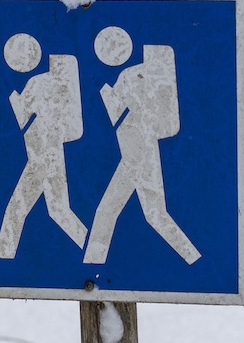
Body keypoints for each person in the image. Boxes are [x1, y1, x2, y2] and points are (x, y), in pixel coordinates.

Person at [84, 43, 200, 265]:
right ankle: (91, 266)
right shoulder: (128, 75)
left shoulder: (146, 77)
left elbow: (166, 123)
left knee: (147, 215)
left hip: (141, 152)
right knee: (125, 212)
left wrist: (126, 106)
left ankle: (195, 261)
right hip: (131, 151)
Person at [0, 34, 88, 257]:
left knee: (21, 210)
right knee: (57, 211)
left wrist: (9, 93)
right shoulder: (64, 88)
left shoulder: (39, 83)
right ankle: (93, 250)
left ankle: (2, 263)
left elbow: (22, 117)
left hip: (43, 153)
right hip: (46, 151)